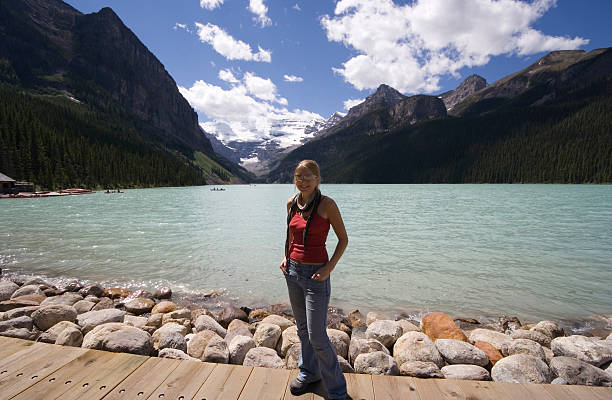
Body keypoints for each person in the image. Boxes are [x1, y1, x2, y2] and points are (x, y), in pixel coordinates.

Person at [280, 160, 349, 400]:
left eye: (308, 177)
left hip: (316, 275)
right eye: (298, 177)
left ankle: (338, 391)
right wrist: (285, 257)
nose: (302, 181)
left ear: (318, 179)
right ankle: (309, 373)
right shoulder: (291, 203)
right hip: (293, 273)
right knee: (301, 330)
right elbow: (291, 235)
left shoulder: (327, 205)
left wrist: (329, 268)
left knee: (317, 334)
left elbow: (343, 240)